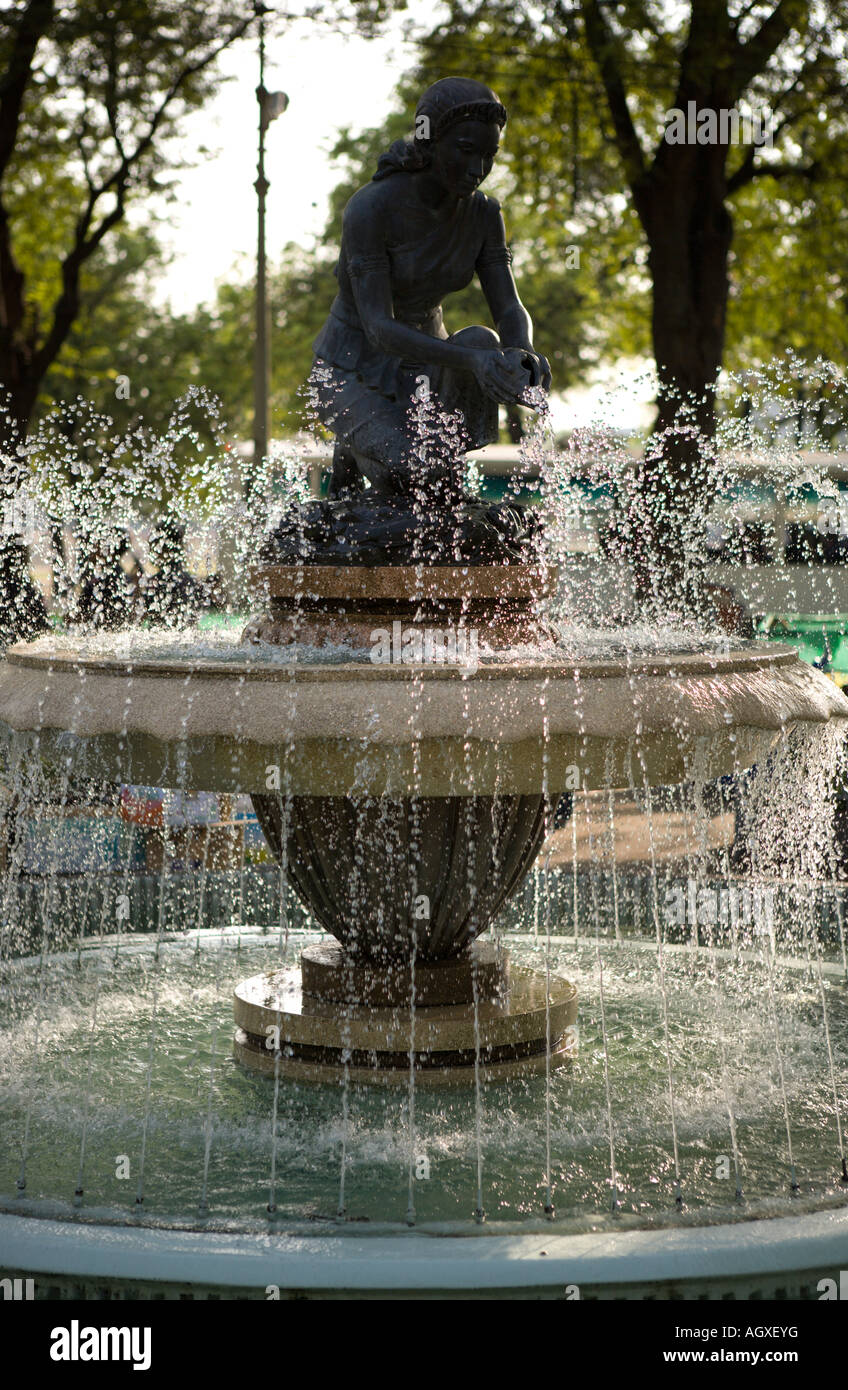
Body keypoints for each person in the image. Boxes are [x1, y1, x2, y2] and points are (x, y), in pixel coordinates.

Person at [310, 76, 551, 502]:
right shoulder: (371, 208)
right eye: (465, 151)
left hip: (426, 361)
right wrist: (474, 361)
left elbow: (509, 306)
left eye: (489, 155)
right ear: (430, 142)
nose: (478, 169)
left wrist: (522, 352)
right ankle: (355, 449)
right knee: (411, 484)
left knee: (483, 340)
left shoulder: (483, 214)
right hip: (352, 366)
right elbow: (379, 328)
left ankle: (383, 456)